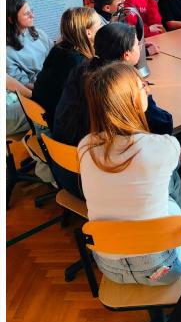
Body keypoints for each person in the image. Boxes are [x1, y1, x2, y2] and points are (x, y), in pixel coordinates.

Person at [78, 62, 181, 286]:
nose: (147, 90)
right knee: (171, 186)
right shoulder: (164, 145)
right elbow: (173, 159)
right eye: (142, 86)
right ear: (131, 100)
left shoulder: (85, 146)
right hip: (163, 267)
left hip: (109, 267)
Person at [53, 23, 173, 198]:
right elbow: (163, 125)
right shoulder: (120, 87)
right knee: (172, 164)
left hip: (65, 168)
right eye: (137, 44)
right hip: (95, 185)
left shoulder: (83, 71)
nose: (140, 47)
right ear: (126, 55)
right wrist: (144, 93)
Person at [32, 7, 102, 130]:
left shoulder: (59, 49)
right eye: (100, 25)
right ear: (88, 33)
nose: (102, 27)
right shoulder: (79, 63)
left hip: (45, 116)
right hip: (63, 126)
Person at [6, 0, 53, 182]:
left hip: (41, 87)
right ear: (11, 19)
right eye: (26, 14)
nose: (32, 15)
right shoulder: (6, 50)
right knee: (49, 110)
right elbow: (23, 86)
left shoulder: (38, 34)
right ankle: (48, 165)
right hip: (20, 99)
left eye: (31, 10)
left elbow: (55, 56)